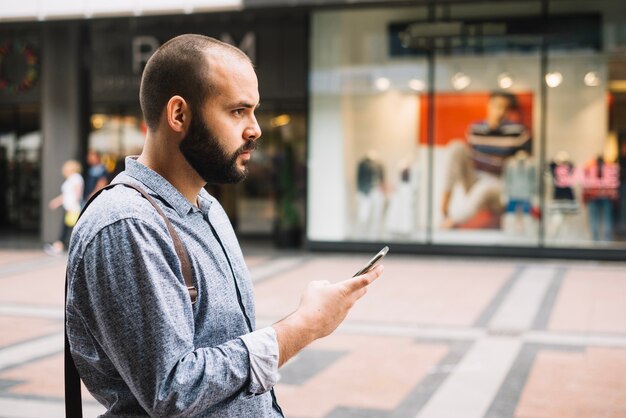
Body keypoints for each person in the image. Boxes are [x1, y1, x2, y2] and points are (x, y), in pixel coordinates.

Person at [65, 34, 383, 417]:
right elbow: (173, 391)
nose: (255, 129)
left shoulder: (208, 207)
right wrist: (304, 326)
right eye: (238, 111)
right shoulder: (127, 225)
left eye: (254, 111)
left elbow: (224, 350)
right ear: (179, 114)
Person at [440, 91, 531, 229]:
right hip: (475, 179)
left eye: (505, 108)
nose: (500, 112)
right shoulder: (475, 129)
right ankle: (444, 207)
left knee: (485, 187)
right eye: (497, 106)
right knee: (456, 147)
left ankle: (452, 222)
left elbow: (522, 166)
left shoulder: (518, 132)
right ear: (489, 106)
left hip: (500, 186)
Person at [44, 160, 83, 256]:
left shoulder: (76, 178)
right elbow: (65, 195)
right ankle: (59, 246)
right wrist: (56, 202)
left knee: (70, 229)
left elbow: (77, 194)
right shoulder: (70, 179)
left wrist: (73, 206)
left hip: (73, 209)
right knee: (67, 229)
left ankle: (59, 246)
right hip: (69, 208)